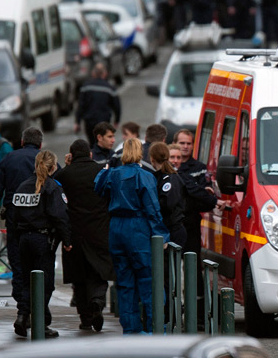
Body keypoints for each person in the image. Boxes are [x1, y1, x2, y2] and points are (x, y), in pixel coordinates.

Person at [94, 138, 169, 334]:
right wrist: (161, 234)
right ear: (140, 153)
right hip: (137, 227)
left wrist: (105, 169)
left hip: (116, 227)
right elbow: (152, 209)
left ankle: (130, 329)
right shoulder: (144, 176)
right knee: (148, 279)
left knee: (125, 282)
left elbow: (98, 188)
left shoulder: (112, 174)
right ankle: (155, 327)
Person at [0, 127, 45, 337]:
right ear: (41, 144)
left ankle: (23, 311)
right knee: (40, 268)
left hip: (14, 221)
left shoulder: (9, 159)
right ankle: (38, 313)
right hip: (40, 224)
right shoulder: (44, 159)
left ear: (21, 141)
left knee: (19, 267)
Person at [9, 150, 71, 339]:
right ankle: (41, 324)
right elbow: (60, 217)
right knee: (45, 284)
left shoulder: (22, 186)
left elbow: (13, 216)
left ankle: (22, 316)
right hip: (43, 240)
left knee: (28, 281)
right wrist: (67, 240)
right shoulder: (52, 187)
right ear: (53, 167)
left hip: (23, 240)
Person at [55, 139, 113, 333]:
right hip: (99, 231)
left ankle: (85, 318)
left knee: (79, 278)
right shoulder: (101, 172)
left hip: (74, 234)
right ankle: (97, 301)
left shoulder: (64, 174)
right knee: (99, 272)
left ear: (71, 155)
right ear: (90, 154)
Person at [174, 129, 217, 257]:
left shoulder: (200, 168)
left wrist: (196, 194)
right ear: (174, 143)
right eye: (182, 143)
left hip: (192, 222)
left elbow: (206, 198)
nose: (185, 146)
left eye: (189, 143)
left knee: (192, 261)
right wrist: (196, 191)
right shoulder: (171, 167)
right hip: (174, 222)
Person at [148, 142, 187, 249]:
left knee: (169, 264)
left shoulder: (170, 179)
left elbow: (167, 204)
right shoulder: (158, 177)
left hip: (172, 230)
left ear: (152, 158)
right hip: (165, 229)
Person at [75, 63, 121, 142]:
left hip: (89, 122)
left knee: (92, 143)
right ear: (105, 74)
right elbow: (117, 106)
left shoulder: (86, 87)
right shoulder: (109, 88)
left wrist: (77, 122)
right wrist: (116, 121)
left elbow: (81, 105)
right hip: (104, 122)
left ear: (93, 73)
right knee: (102, 144)